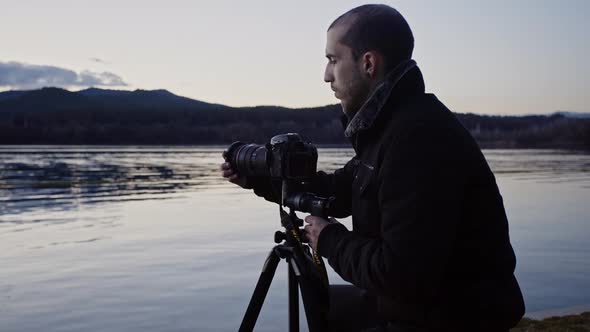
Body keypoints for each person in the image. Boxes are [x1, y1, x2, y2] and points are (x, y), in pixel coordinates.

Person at [221, 4, 524, 332]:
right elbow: (337, 192)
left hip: (449, 316)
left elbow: (400, 273)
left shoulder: (417, 137)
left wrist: (329, 240)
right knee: (326, 303)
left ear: (368, 63)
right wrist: (261, 181)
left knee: (330, 306)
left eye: (333, 60)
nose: (326, 75)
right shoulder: (391, 127)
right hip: (422, 305)